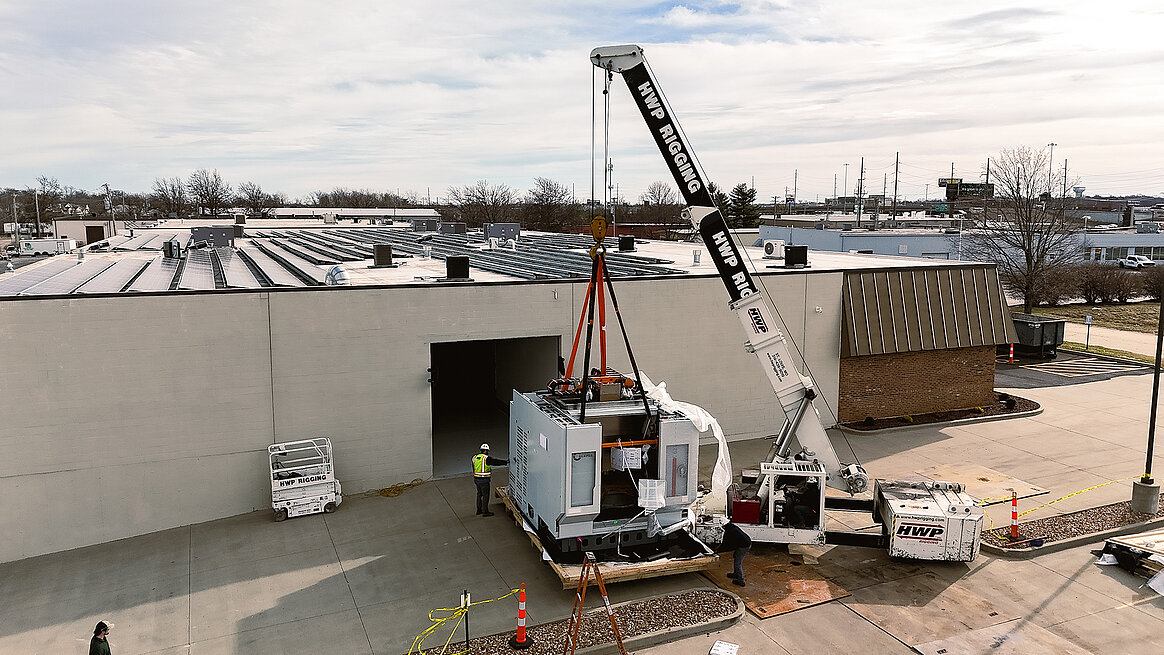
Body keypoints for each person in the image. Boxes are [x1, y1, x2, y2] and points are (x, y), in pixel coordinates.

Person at [472, 443, 508, 516]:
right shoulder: (486, 458)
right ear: (485, 451)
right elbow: (496, 462)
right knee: (486, 496)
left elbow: (474, 468)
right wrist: (505, 462)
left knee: (479, 494)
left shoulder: (475, 457)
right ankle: (485, 512)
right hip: (484, 480)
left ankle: (479, 510)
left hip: (476, 479)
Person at [720, 521, 752, 587]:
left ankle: (741, 581)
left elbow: (725, 544)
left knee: (738, 562)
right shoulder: (733, 527)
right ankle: (736, 574)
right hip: (746, 542)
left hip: (744, 546)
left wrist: (717, 551)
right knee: (736, 557)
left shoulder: (730, 532)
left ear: (724, 526)